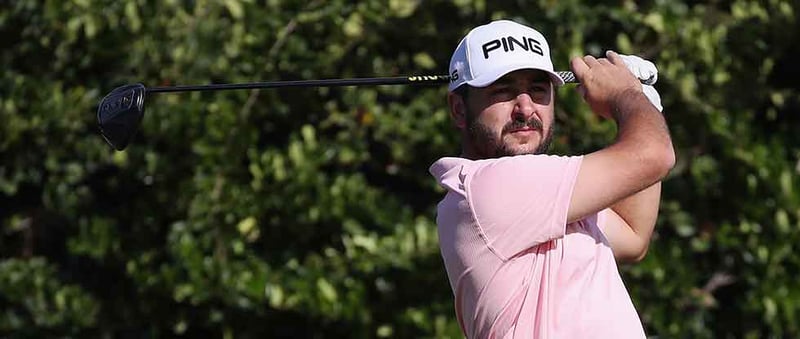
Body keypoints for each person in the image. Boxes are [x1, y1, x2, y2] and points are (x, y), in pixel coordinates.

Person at [429, 20, 675, 338]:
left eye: (538, 89)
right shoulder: (488, 187)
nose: (525, 108)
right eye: (502, 91)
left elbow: (632, 234)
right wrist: (626, 95)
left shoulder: (550, 199)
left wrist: (645, 100)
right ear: (459, 109)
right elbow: (655, 155)